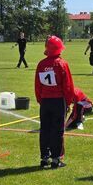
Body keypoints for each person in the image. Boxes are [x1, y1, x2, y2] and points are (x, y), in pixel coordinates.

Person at [35, 36, 74, 169]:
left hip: (45, 102)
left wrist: (41, 100)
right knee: (57, 130)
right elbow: (68, 86)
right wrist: (68, 102)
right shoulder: (62, 64)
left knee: (45, 129)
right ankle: (56, 159)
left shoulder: (41, 64)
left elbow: (37, 85)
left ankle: (44, 157)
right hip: (58, 102)